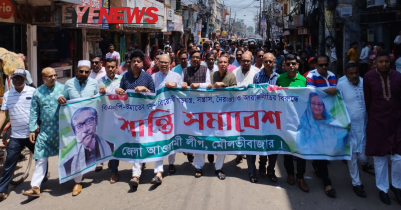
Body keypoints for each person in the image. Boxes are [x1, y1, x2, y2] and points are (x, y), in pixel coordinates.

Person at [113, 50, 155, 188]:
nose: (136, 64)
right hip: (129, 117)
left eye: (138, 61)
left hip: (144, 117)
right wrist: (119, 92)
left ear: (143, 63)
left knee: (138, 143)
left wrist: (146, 90)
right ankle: (140, 164)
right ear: (129, 63)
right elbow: (122, 95)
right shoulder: (125, 77)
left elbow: (154, 97)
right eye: (133, 62)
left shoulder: (148, 78)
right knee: (134, 143)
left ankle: (135, 175)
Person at [363, 50, 401, 205]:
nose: (384, 64)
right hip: (377, 121)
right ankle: (383, 188)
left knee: (398, 157)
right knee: (380, 157)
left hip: (396, 121)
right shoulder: (369, 77)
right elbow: (367, 100)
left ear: (390, 62)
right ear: (375, 63)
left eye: (386, 61)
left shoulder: (398, 77)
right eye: (381, 62)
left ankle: (397, 185)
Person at [57, 60, 100, 196]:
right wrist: (61, 98)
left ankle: (80, 178)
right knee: (75, 149)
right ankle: (78, 181)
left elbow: (99, 99)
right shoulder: (69, 84)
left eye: (86, 71)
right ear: (76, 71)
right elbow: (64, 96)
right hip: (75, 125)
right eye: (81, 71)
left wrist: (101, 93)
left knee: (90, 149)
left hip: (90, 124)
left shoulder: (94, 83)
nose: (83, 74)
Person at [21, 68, 64, 197]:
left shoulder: (63, 89)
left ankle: (73, 179)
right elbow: (34, 112)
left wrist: (65, 99)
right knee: (40, 158)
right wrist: (32, 129)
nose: (54, 78)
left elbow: (73, 103)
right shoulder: (37, 92)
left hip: (62, 131)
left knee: (65, 157)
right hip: (45, 131)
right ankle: (35, 186)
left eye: (55, 75)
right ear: (43, 78)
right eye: (50, 76)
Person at [305, 55, 339, 198]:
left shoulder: (332, 76)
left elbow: (336, 94)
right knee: (322, 147)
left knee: (325, 147)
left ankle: (317, 165)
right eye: (321, 65)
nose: (324, 67)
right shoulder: (311, 76)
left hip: (330, 117)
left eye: (326, 65)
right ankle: (327, 182)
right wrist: (327, 91)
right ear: (316, 66)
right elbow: (311, 94)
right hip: (315, 117)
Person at [0, 69, 36, 201]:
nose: (18, 80)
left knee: (40, 158)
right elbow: (3, 113)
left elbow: (39, 109)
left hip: (32, 133)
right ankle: (2, 190)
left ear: (25, 79)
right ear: (12, 79)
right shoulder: (8, 94)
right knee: (9, 163)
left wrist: (38, 124)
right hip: (16, 135)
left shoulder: (33, 92)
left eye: (21, 78)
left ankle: (41, 179)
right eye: (15, 78)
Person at [276, 54, 309, 192]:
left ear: (297, 65)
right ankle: (290, 174)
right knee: (287, 149)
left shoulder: (303, 80)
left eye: (293, 63)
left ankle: (300, 177)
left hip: (300, 120)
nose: (291, 66)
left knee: (301, 149)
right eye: (288, 63)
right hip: (285, 119)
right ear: (284, 65)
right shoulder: (280, 79)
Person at [336, 62, 368, 198]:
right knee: (352, 156)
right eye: (351, 73)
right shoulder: (341, 84)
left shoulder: (364, 82)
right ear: (346, 74)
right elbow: (339, 105)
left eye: (356, 73)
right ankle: (357, 183)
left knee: (364, 156)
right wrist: (344, 121)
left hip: (366, 124)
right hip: (350, 126)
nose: (354, 76)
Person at [248, 52, 279, 183]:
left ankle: (270, 170)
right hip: (260, 115)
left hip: (274, 115)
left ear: (274, 63)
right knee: (258, 142)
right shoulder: (257, 76)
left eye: (270, 61)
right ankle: (258, 167)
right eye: (265, 61)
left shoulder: (279, 77)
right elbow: (254, 95)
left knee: (273, 143)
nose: (267, 63)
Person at [181, 50, 212, 177]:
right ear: (190, 58)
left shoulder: (205, 70)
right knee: (189, 133)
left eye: (197, 57)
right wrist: (182, 84)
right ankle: (189, 151)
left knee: (200, 136)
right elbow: (181, 85)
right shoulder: (185, 71)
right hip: (187, 108)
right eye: (193, 57)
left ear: (201, 59)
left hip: (202, 108)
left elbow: (209, 84)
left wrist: (198, 85)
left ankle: (198, 166)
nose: (195, 59)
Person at [62, 107, 114, 176]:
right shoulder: (69, 165)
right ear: (75, 132)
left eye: (89, 121)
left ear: (96, 121)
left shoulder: (112, 147)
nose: (85, 129)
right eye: (79, 126)